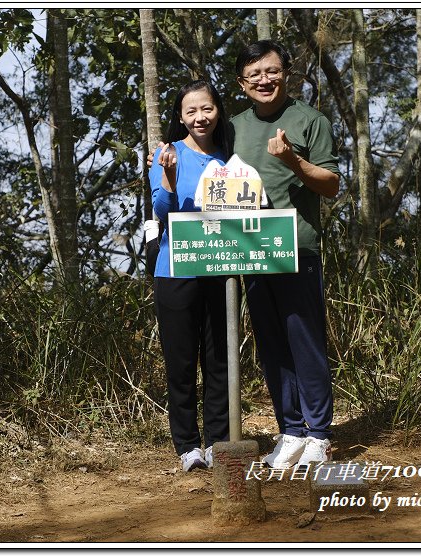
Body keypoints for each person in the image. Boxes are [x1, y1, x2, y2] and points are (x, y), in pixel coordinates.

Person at [230, 40, 341, 469]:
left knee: (305, 344)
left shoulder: (310, 120)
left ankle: (319, 434)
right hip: (249, 252)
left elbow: (330, 184)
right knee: (272, 347)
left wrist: (293, 161)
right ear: (242, 83)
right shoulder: (233, 126)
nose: (265, 81)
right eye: (254, 74)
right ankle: (290, 431)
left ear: (287, 73)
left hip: (296, 248)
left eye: (272, 71)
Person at [149, 80, 233, 472]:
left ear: (218, 111)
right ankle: (187, 445)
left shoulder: (230, 157)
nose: (200, 117)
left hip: (220, 266)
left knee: (218, 359)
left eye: (207, 109)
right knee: (180, 363)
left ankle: (217, 441)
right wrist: (168, 175)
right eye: (191, 111)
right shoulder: (168, 154)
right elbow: (161, 210)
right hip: (174, 270)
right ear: (180, 117)